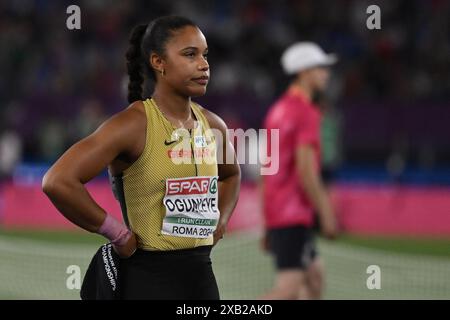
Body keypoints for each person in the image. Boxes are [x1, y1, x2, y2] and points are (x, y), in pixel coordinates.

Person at [42, 16, 241, 300]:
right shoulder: (133, 125)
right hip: (147, 280)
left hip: (201, 277)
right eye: (190, 54)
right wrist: (117, 234)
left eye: (204, 55)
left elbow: (231, 174)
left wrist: (221, 221)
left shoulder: (213, 125)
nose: (203, 64)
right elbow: (58, 181)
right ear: (158, 62)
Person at [260, 42, 339, 300]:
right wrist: (327, 213)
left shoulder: (277, 110)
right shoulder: (306, 112)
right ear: (304, 71)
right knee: (289, 289)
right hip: (293, 213)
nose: (326, 73)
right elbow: (307, 171)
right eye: (321, 67)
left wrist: (267, 222)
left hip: (280, 211)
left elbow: (266, 170)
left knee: (314, 277)